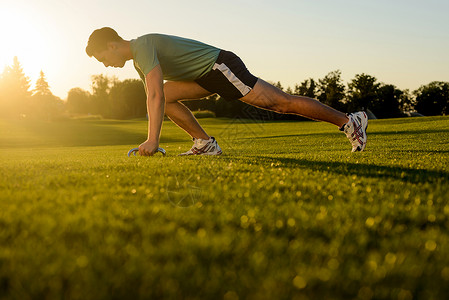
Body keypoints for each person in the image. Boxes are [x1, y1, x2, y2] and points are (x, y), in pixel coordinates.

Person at [86, 27, 368, 156]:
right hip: (205, 75)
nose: (107, 65)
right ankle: (205, 143)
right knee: (165, 95)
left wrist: (151, 140)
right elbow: (157, 95)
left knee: (281, 104)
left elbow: (155, 97)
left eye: (102, 58)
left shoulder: (143, 46)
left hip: (219, 66)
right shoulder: (138, 60)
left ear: (112, 44)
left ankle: (349, 121)